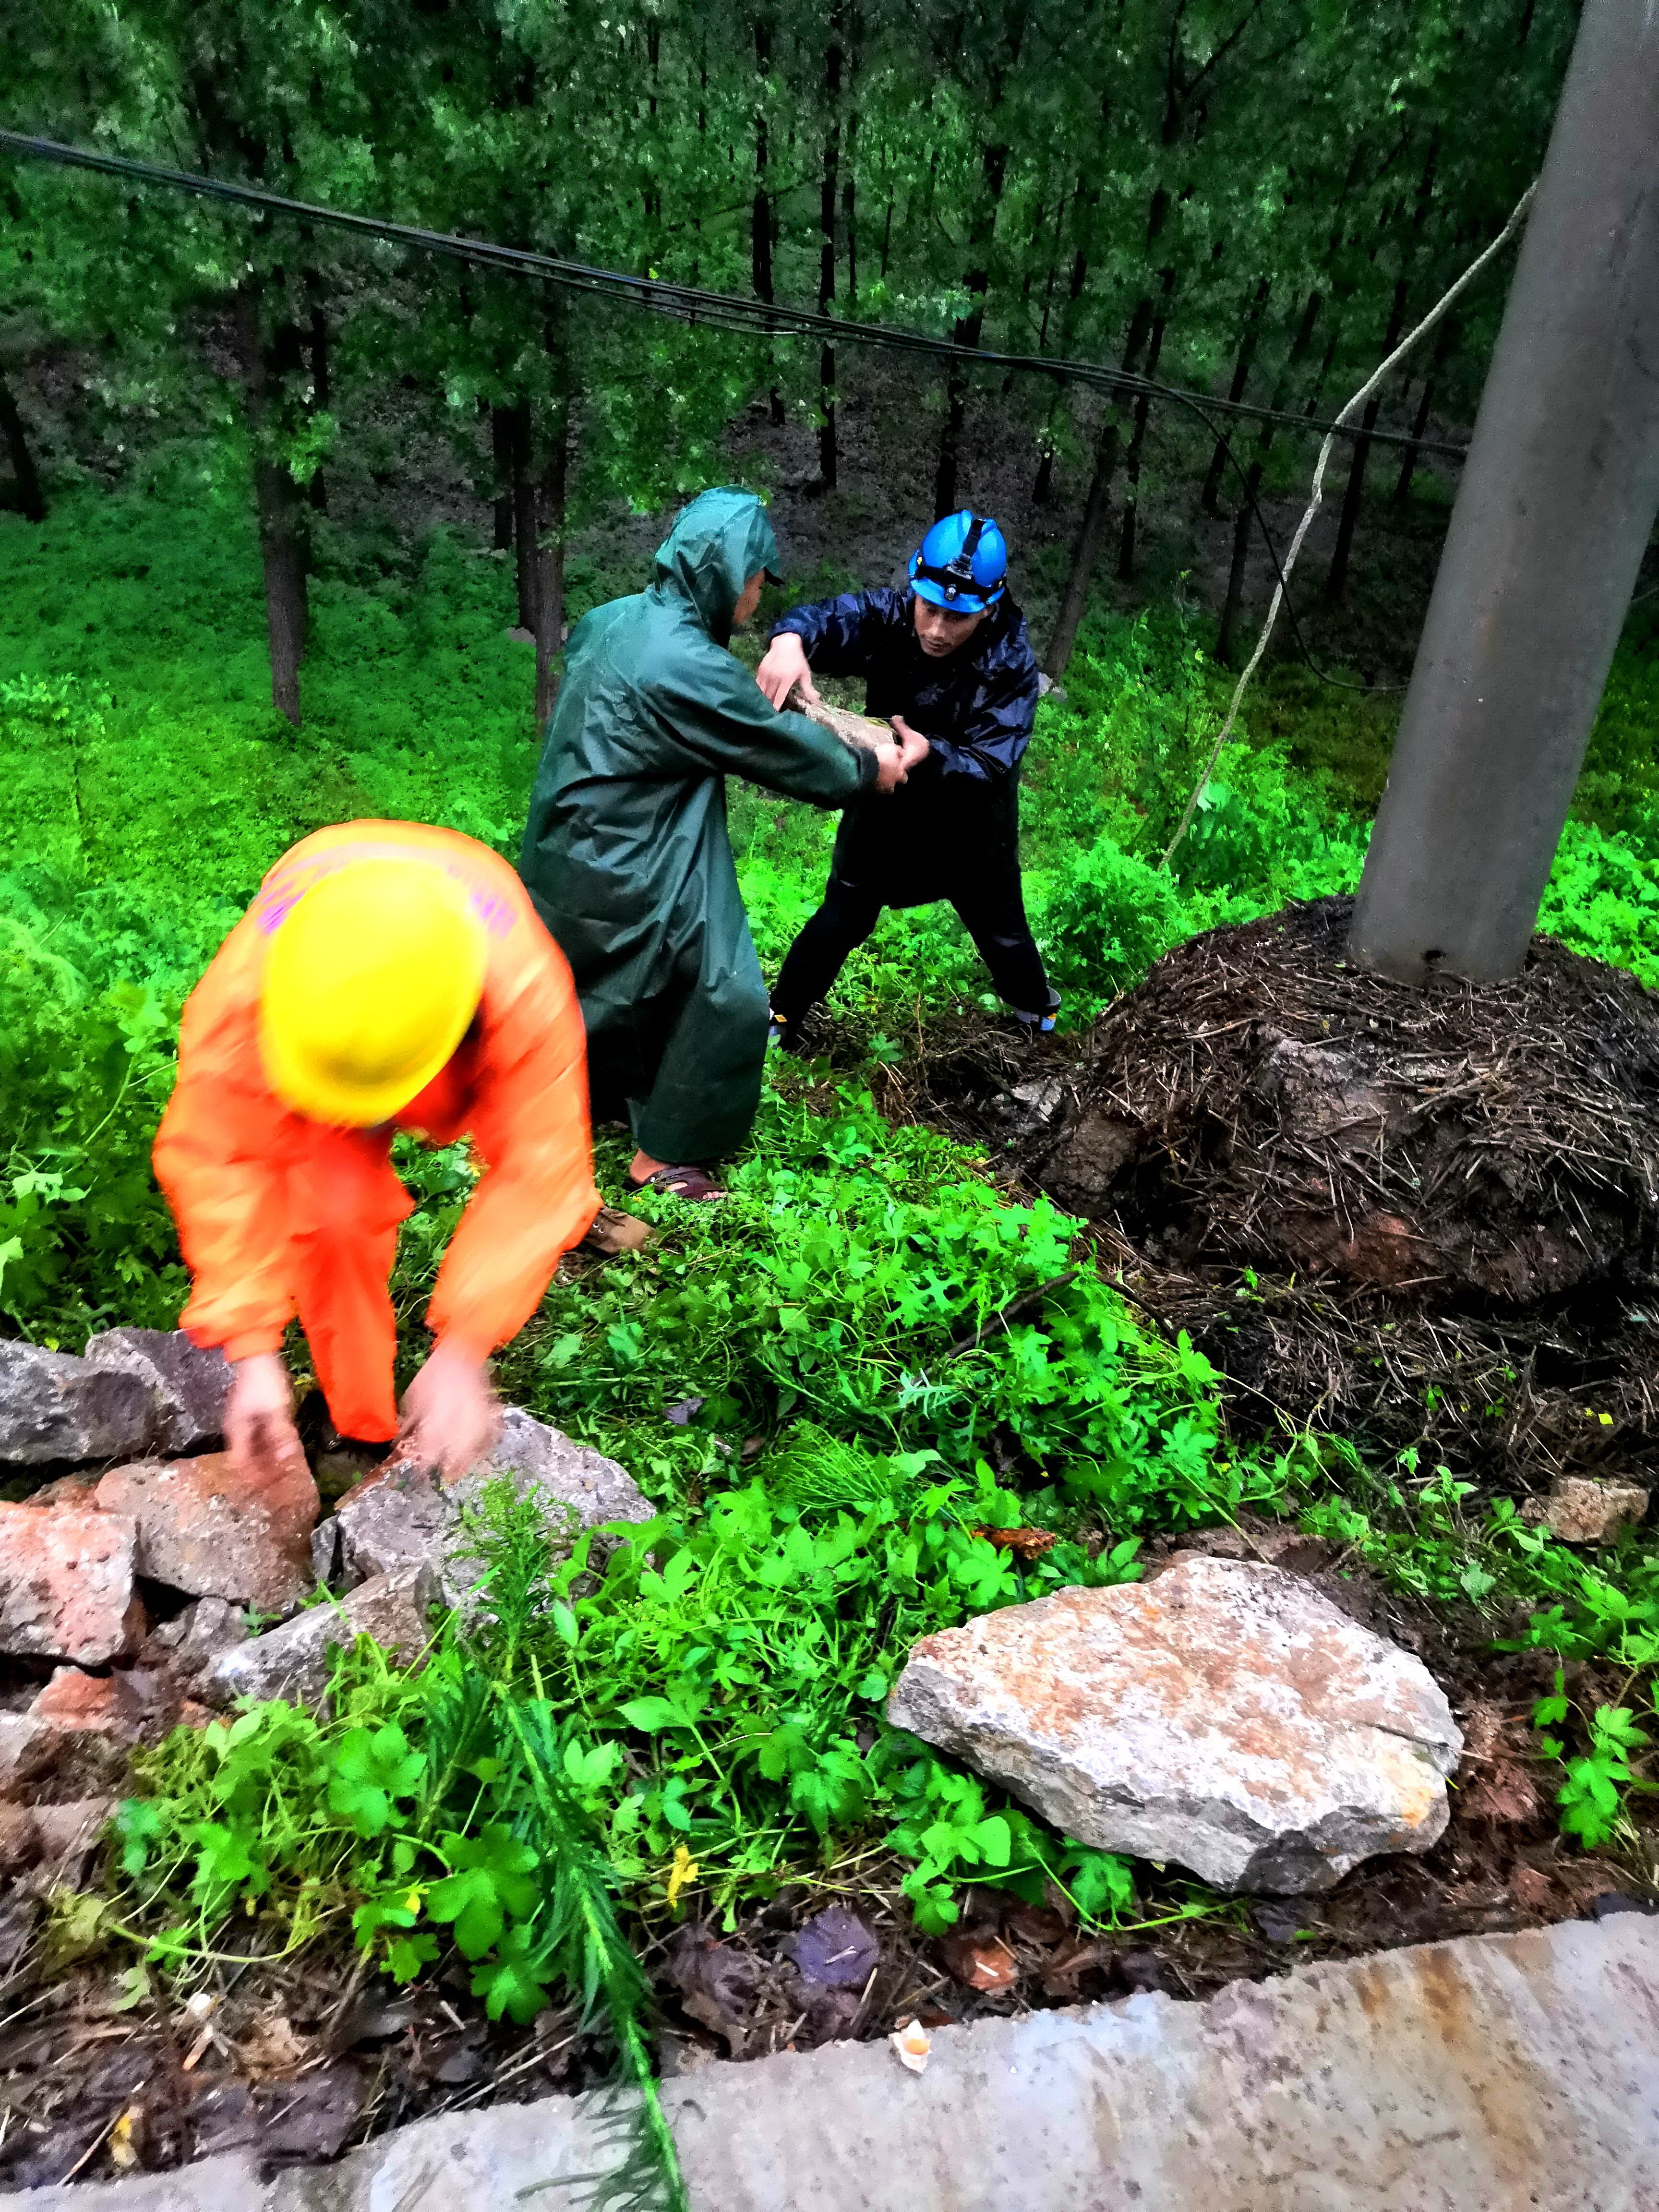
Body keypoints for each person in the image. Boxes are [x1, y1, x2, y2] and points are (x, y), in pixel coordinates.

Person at [152, 820, 600, 1493]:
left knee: (349, 1203)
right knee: (334, 1213)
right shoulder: (246, 994)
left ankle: (393, 1413)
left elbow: (542, 1170)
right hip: (329, 1026)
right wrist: (253, 1352)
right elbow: (217, 1155)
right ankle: (361, 1426)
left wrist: (466, 1346)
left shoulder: (525, 993)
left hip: (443, 1021)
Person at [519, 486, 906, 1200]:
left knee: (592, 980)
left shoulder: (610, 622)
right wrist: (869, 766)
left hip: (565, 848)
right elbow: (781, 750)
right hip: (625, 864)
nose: (758, 597)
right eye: (757, 580)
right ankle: (663, 1159)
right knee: (721, 986)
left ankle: (581, 1101)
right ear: (726, 574)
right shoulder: (689, 668)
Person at [757, 509, 1058, 1046]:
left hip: (973, 827)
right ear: (915, 589)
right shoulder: (891, 619)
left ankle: (1037, 1017)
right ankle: (779, 1018)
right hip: (886, 806)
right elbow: (832, 619)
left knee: (1003, 931)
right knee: (842, 914)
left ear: (988, 608)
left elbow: (992, 765)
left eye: (957, 617)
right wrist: (790, 639)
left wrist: (931, 755)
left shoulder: (1011, 663)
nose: (937, 630)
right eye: (929, 608)